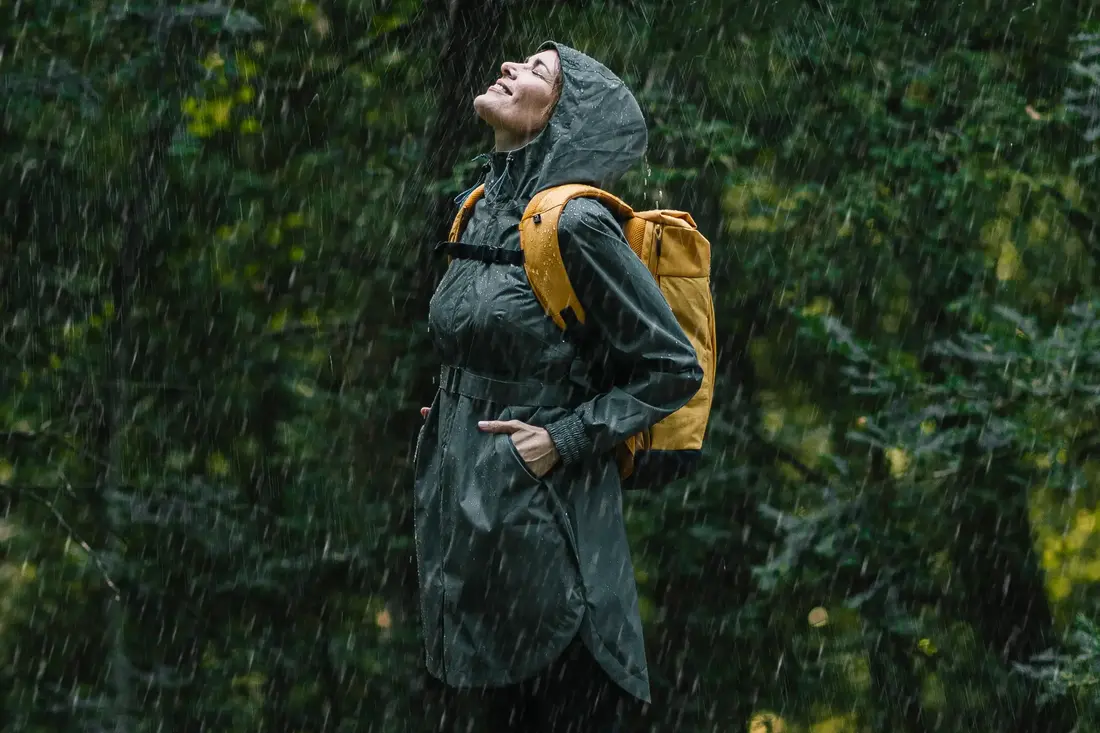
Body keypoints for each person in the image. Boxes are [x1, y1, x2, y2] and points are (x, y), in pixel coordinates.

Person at [413, 40, 704, 732]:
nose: (509, 67)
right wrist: (456, 407)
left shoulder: (575, 225)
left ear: (564, 118)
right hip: (471, 540)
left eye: (537, 71)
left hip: (552, 542)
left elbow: (672, 365)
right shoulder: (474, 211)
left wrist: (562, 436)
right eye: (515, 60)